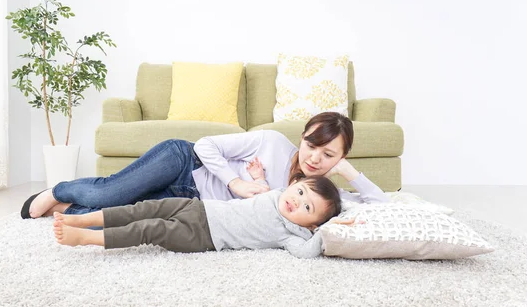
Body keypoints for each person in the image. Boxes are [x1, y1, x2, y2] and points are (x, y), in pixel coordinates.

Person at [22, 112, 388, 219]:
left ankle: (69, 206)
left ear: (340, 157)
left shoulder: (323, 192)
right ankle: (56, 190)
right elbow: (205, 145)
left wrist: (349, 172)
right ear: (303, 136)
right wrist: (235, 183)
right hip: (182, 164)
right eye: (312, 145)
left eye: (328, 155)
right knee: (112, 191)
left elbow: (381, 205)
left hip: (190, 201)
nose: (314, 158)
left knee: (118, 211)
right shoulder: (273, 143)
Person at [52, 175, 355, 259]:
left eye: (307, 208)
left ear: (312, 224)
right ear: (294, 184)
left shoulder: (291, 234)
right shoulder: (277, 193)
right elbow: (262, 188)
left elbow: (306, 252)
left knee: (150, 228)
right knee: (142, 208)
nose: (296, 202)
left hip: (202, 237)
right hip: (198, 207)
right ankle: (82, 219)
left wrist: (327, 231)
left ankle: (86, 239)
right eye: (301, 192)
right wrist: (257, 176)